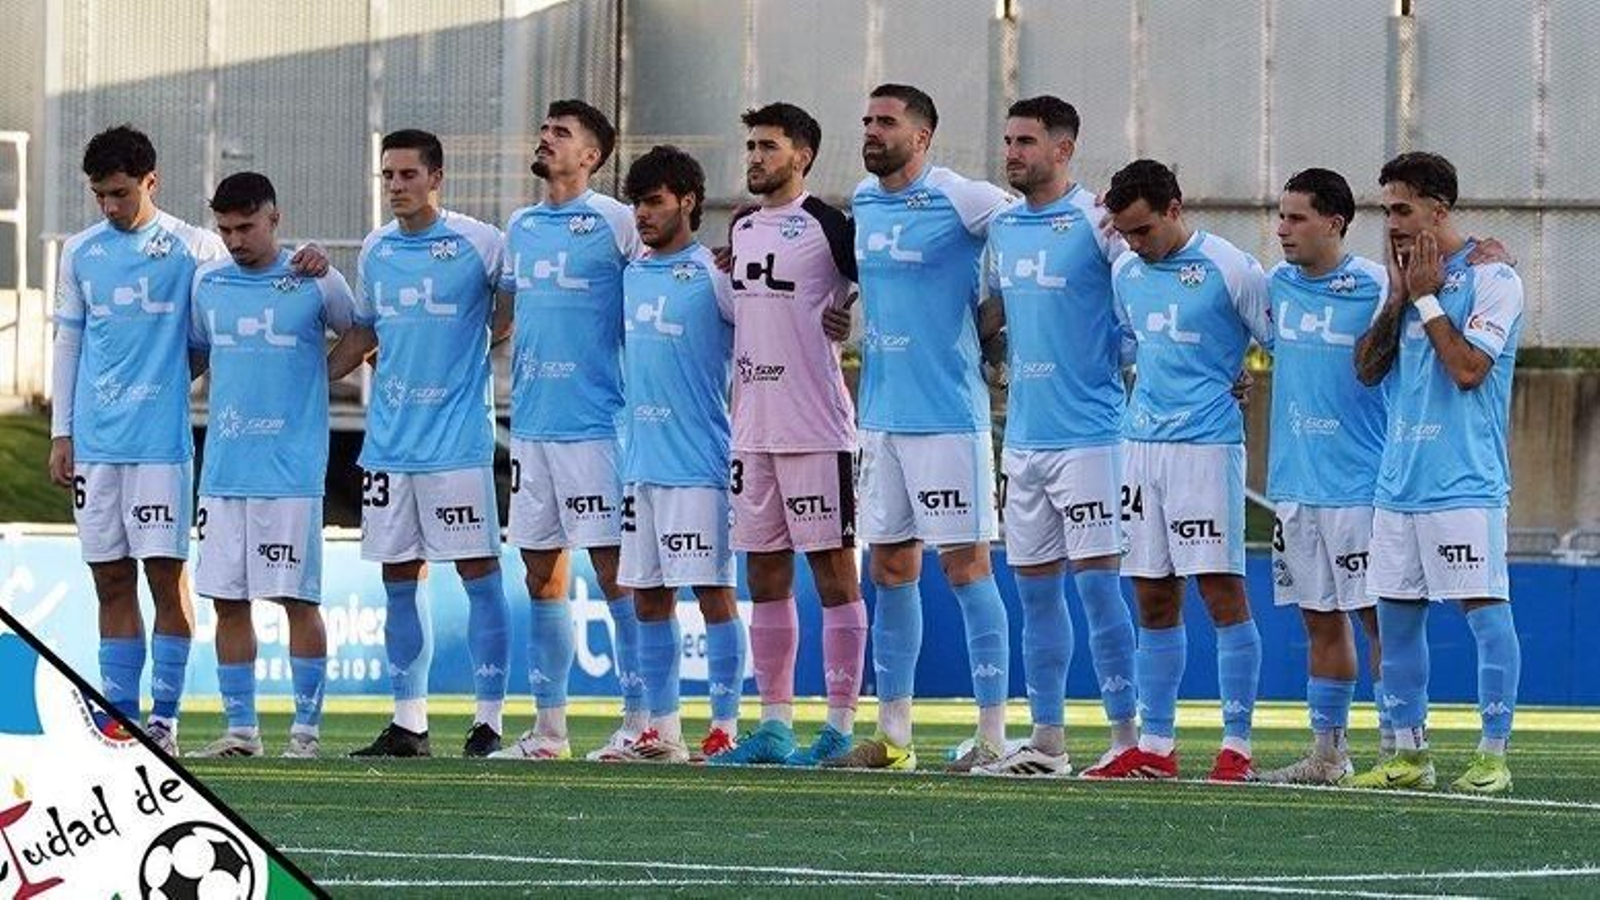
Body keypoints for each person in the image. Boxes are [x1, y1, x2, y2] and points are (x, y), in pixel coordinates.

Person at [822, 84, 1013, 773]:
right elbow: (853, 282)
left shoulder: (964, 198)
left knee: (966, 566)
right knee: (890, 566)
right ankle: (895, 740)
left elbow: (1030, 243)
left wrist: (993, 321)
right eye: (867, 119)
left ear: (922, 136)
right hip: (880, 418)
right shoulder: (865, 202)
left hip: (947, 417)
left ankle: (993, 737)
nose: (871, 131)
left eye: (885, 122)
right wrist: (838, 309)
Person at [970, 96, 1141, 778]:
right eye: (1008, 139)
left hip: (1093, 437)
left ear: (1063, 150)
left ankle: (1129, 739)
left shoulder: (1101, 221)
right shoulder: (1005, 229)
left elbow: (1144, 302)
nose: (1011, 152)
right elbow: (991, 315)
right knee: (1036, 595)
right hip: (1027, 439)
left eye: (1026, 142)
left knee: (1099, 592)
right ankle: (1047, 742)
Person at [1087, 159, 1272, 782]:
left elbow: (1280, 344)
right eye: (1126, 233)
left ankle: (1237, 747)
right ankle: (1157, 746)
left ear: (1174, 209)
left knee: (1222, 594)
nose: (1135, 244)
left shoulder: (1233, 268)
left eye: (1143, 230)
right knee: (1152, 595)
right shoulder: (1124, 269)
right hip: (1140, 449)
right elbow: (1137, 345)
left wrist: (1238, 379)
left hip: (1206, 449)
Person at [48, 125, 228, 755]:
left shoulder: (196, 248)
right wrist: (62, 432)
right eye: (99, 195)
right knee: (110, 582)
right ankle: (119, 717)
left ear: (150, 182)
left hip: (160, 447)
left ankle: (165, 720)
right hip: (96, 447)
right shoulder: (80, 252)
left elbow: (215, 331)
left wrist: (170, 378)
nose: (109, 206)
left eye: (120, 193)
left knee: (164, 578)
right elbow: (69, 342)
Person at [184, 172, 376, 759]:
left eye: (246, 227)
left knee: (297, 600)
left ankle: (306, 733)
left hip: (289, 474)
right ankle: (241, 731)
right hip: (223, 472)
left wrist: (318, 377)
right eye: (225, 229)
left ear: (274, 219)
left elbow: (362, 330)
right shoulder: (207, 283)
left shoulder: (314, 279)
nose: (236, 240)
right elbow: (192, 354)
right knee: (227, 601)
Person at [1349, 152, 1523, 794]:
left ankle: (1492, 755)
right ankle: (1409, 754)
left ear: (1439, 210)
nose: (1390, 223)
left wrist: (1424, 299)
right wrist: (1398, 299)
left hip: (1464, 482)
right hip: (1398, 485)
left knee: (1485, 615)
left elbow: (1470, 369)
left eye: (1402, 209)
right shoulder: (1404, 280)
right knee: (1395, 622)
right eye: (1386, 209)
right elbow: (1367, 371)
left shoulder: (1493, 277)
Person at [707, 102, 868, 768]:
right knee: (764, 575)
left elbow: (879, 283)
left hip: (815, 426)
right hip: (752, 427)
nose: (753, 157)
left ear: (801, 155)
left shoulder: (832, 227)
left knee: (834, 574)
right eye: (749, 145)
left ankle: (837, 729)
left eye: (767, 146)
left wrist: (849, 314)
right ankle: (773, 726)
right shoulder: (742, 227)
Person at [489, 100, 647, 762]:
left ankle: (642, 720)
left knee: (615, 572)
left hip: (596, 427)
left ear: (591, 155)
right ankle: (549, 730)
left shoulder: (617, 223)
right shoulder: (520, 227)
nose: (546, 139)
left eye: (561, 134)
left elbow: (661, 286)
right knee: (540, 575)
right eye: (545, 129)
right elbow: (498, 315)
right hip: (532, 426)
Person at [349, 129, 512, 759]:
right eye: (387, 175)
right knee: (399, 579)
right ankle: (408, 722)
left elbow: (512, 307)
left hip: (457, 446)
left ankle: (489, 721)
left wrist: (477, 343)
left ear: (436, 178)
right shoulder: (374, 249)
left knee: (478, 575)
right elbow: (363, 332)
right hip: (389, 447)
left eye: (408, 175)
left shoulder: (478, 242)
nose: (396, 186)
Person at [605, 145, 747, 763]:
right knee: (648, 597)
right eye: (637, 202)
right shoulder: (632, 272)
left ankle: (724, 728)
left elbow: (765, 334)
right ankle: (661, 730)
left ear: (687, 202)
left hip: (699, 464)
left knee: (712, 592)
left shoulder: (715, 272)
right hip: (640, 465)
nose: (642, 214)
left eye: (655, 201)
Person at [1253, 169, 1388, 785]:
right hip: (1295, 486)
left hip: (1359, 487)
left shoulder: (1377, 286)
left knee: (1379, 620)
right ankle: (1328, 755)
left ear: (1334, 222)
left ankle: (1401, 750)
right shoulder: (1276, 285)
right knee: (1318, 618)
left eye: (1297, 217)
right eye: (1281, 217)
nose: (1283, 229)